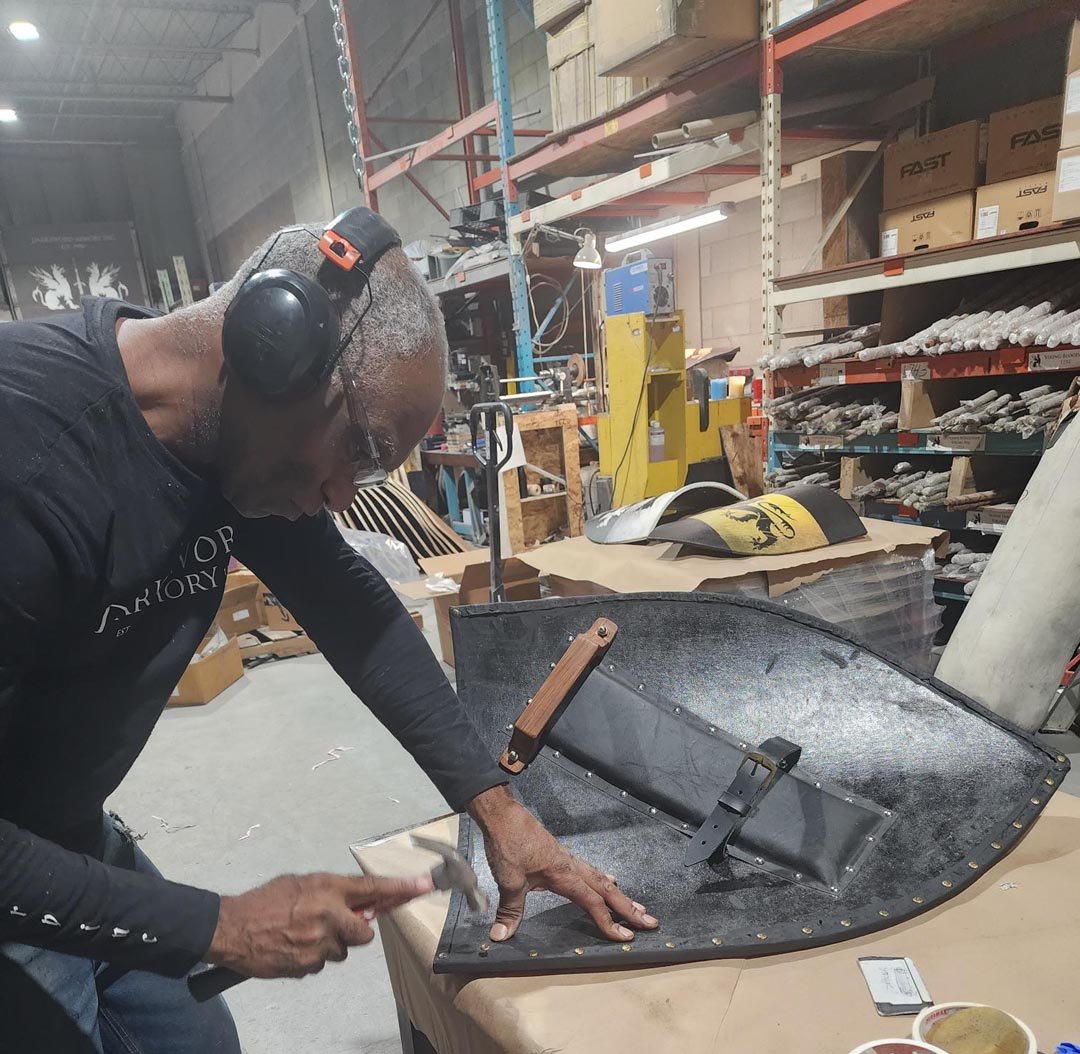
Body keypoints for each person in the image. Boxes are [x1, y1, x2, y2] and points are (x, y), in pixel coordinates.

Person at [0, 209, 659, 1051]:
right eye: (358, 448)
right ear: (272, 350)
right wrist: (217, 925)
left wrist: (497, 809)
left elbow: (354, 610)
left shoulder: (225, 440)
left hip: (67, 828)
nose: (345, 496)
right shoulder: (30, 462)